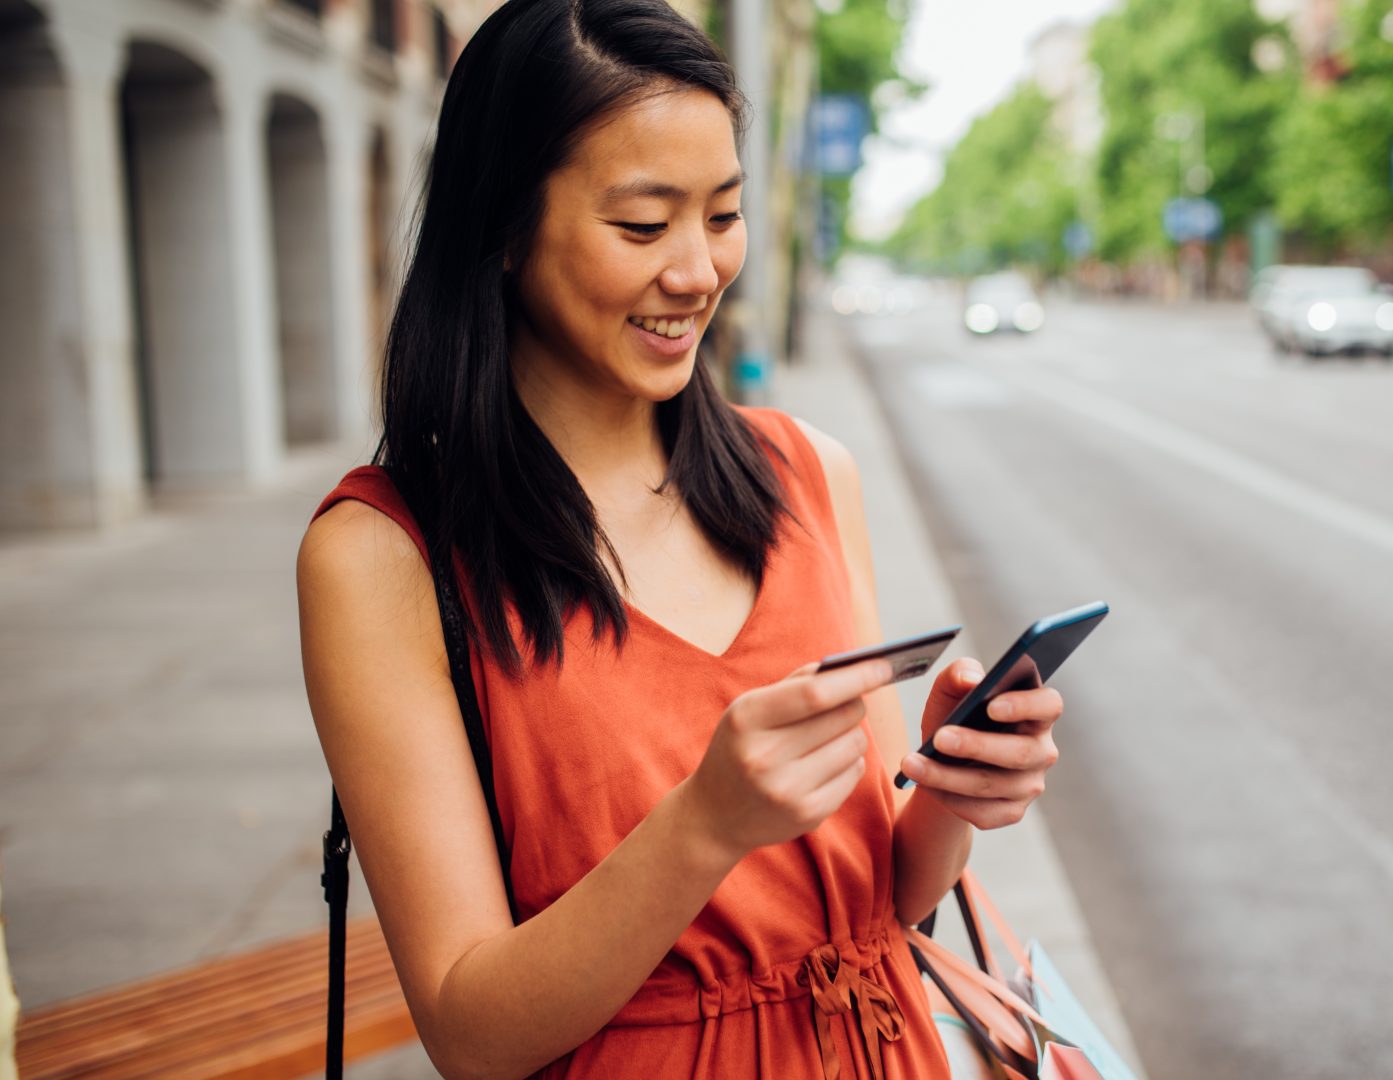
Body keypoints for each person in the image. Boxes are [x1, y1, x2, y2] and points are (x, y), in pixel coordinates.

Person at [295, 2, 1065, 1077]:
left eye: (723, 214)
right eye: (644, 226)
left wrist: (952, 791)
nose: (700, 271)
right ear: (505, 228)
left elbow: (883, 896)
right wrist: (703, 825)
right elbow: (470, 1031)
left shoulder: (806, 473)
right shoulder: (386, 554)